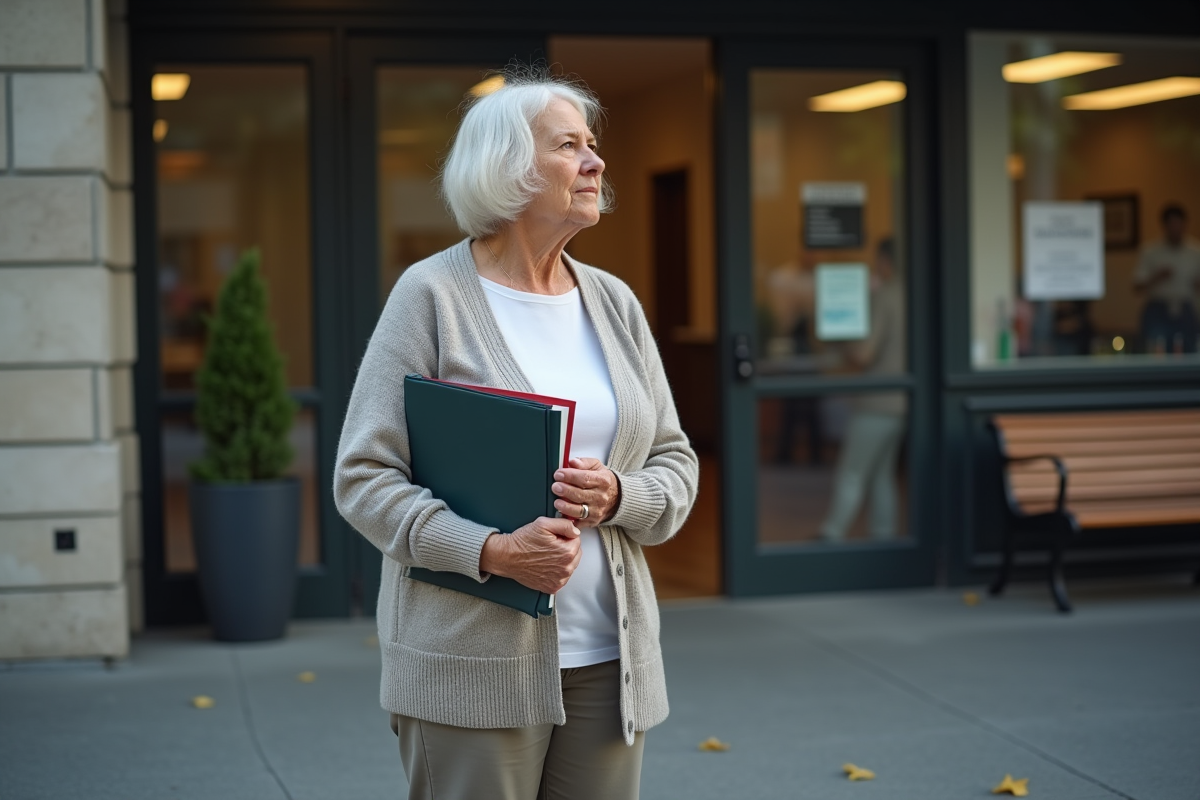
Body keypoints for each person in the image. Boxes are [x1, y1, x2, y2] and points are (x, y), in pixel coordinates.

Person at [333, 68, 699, 800]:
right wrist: (493, 552)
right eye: (570, 146)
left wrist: (620, 493)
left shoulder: (614, 302)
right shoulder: (431, 296)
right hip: (466, 668)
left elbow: (676, 461)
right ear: (507, 169)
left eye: (592, 145)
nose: (596, 162)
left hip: (608, 659)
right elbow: (363, 477)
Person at [819, 238, 906, 542]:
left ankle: (831, 534)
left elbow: (865, 353)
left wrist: (841, 339)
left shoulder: (886, 296)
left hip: (877, 402)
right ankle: (885, 536)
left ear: (884, 260)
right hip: (903, 401)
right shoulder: (915, 295)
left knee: (852, 472)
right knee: (882, 476)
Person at [1134, 204, 1200, 354]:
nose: (1175, 228)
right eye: (1171, 223)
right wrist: (1157, 277)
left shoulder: (1196, 251)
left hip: (1185, 309)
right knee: (1155, 351)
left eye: (1179, 223)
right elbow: (1137, 286)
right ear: (1164, 225)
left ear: (1185, 224)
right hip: (1157, 309)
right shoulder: (1150, 251)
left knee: (1190, 351)